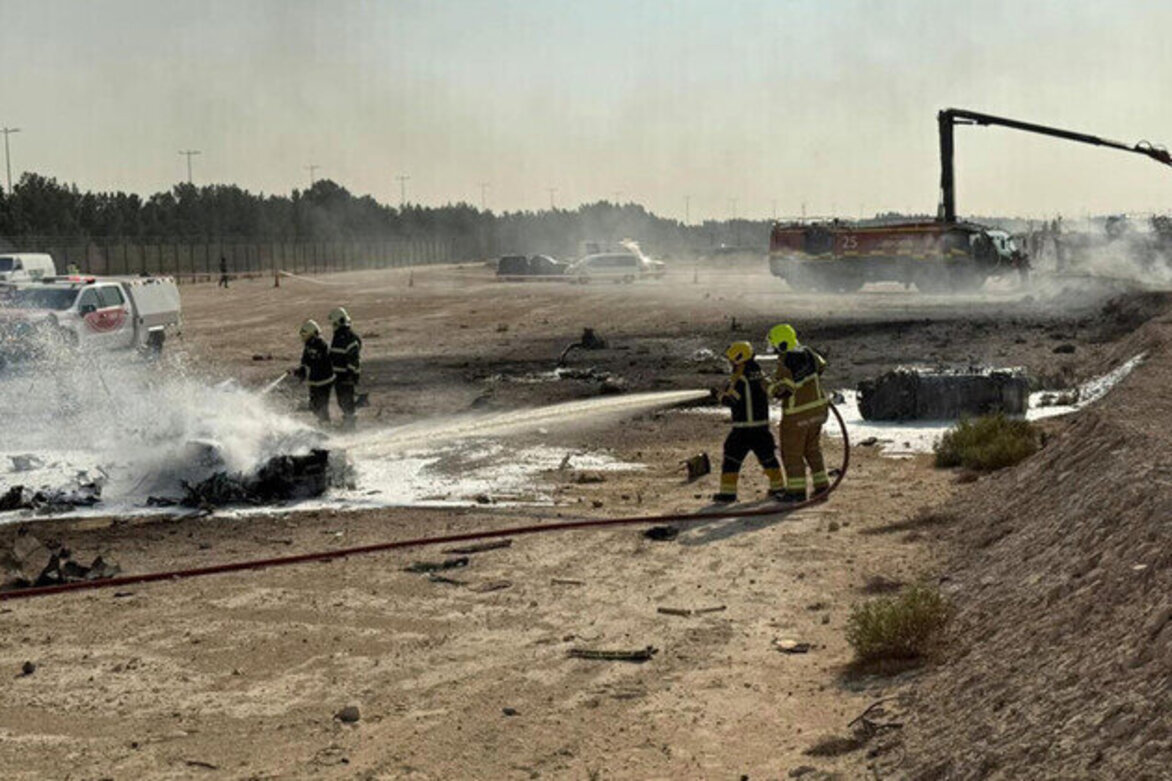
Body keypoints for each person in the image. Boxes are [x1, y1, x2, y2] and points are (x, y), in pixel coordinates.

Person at [711, 341, 785, 503]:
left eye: (732, 360)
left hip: (744, 429)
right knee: (768, 458)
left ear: (739, 358)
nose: (730, 363)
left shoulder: (741, 378)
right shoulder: (758, 373)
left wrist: (718, 396)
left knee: (731, 458)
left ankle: (728, 494)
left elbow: (732, 401)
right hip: (762, 428)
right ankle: (778, 488)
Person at [767, 323, 830, 503]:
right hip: (818, 411)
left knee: (792, 453)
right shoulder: (809, 353)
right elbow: (821, 366)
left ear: (782, 343)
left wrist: (768, 386)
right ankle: (822, 487)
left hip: (797, 416)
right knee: (812, 450)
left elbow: (782, 390)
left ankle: (796, 491)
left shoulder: (785, 361)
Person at [290, 320, 334, 423]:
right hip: (314, 382)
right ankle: (323, 423)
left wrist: (304, 370)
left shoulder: (321, 345)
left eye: (305, 336)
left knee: (322, 407)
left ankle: (326, 425)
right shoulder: (308, 346)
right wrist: (297, 372)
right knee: (314, 406)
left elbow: (316, 363)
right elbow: (305, 362)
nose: (303, 339)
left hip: (324, 381)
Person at [328, 306, 362, 429]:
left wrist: (350, 376)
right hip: (338, 376)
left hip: (346, 377)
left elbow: (353, 359)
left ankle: (350, 425)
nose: (333, 326)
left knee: (347, 402)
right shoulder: (338, 336)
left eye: (334, 323)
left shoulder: (349, 337)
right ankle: (347, 422)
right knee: (342, 401)